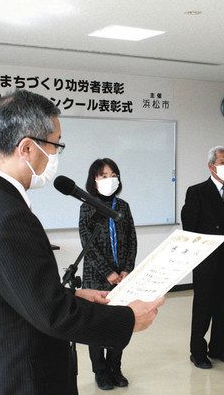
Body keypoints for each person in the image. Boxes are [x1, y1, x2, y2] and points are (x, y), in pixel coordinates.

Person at [0, 90, 164, 394]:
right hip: (19, 379)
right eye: (55, 145)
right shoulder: (9, 216)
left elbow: (15, 293)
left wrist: (73, 295)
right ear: (27, 148)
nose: (55, 156)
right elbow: (53, 316)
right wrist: (128, 318)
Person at [181, 146, 224, 369]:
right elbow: (189, 227)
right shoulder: (197, 191)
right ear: (211, 166)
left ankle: (218, 348)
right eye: (222, 162)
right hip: (206, 261)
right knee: (203, 307)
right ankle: (197, 352)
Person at [79, 158, 137, 390]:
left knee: (119, 324)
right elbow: (87, 245)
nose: (109, 179)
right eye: (103, 175)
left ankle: (115, 368)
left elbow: (132, 239)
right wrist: (107, 272)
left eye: (113, 175)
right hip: (96, 277)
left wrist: (126, 269)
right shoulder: (87, 207)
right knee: (96, 326)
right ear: (94, 179)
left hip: (122, 277)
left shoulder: (123, 206)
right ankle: (100, 371)